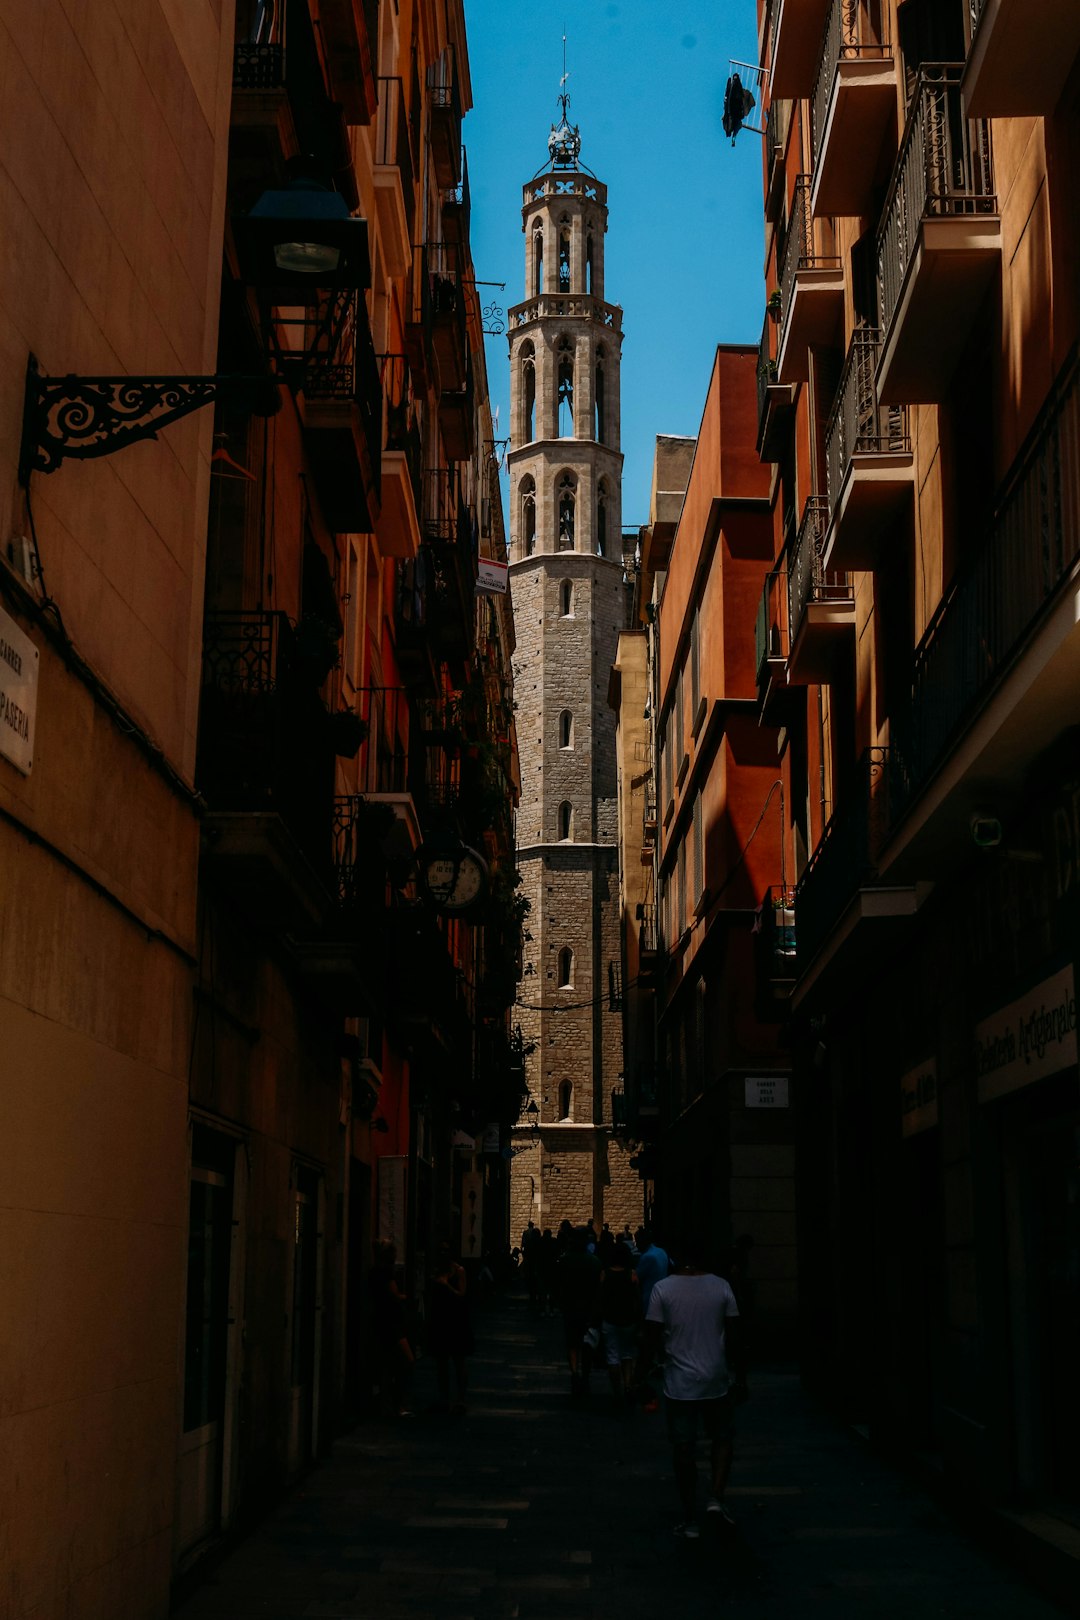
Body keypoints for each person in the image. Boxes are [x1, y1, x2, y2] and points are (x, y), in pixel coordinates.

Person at [637, 1237, 746, 1539]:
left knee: (683, 1450)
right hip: (717, 1378)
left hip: (679, 1384)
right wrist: (742, 1377)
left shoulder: (664, 1289)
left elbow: (650, 1337)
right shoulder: (721, 1286)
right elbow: (736, 1337)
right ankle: (715, 1497)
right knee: (722, 1438)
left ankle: (690, 1517)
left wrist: (639, 1376)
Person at [368, 1240, 414, 1417]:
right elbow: (394, 1295)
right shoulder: (385, 1273)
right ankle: (398, 1403)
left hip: (380, 1321)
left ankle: (386, 1403)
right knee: (406, 1361)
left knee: (386, 1364)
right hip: (392, 1323)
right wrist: (404, 1297)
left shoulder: (373, 1273)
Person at [427, 1241, 472, 1413]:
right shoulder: (437, 1271)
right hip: (441, 1321)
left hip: (456, 1320)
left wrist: (446, 1285)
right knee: (442, 1362)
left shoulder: (459, 1271)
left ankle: (460, 1399)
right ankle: (444, 1398)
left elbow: (462, 1294)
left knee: (459, 1361)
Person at [557, 1225, 602, 1397]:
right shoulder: (595, 1262)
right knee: (588, 1344)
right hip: (589, 1309)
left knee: (572, 1344)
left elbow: (559, 1284)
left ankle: (574, 1372)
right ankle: (585, 1374)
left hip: (570, 1308)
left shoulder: (565, 1260)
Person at [599, 1240, 639, 1405]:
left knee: (612, 1356)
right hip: (628, 1319)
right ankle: (628, 1385)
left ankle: (617, 1390)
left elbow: (600, 1297)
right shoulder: (632, 1274)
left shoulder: (605, 1274)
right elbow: (637, 1299)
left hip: (610, 1319)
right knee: (627, 1354)